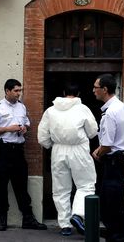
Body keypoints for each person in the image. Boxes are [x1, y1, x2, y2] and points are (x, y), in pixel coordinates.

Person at [0, 78, 47, 231]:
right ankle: (2, 220)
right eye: (16, 91)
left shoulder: (21, 107)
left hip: (18, 151)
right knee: (2, 186)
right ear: (7, 91)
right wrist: (8, 128)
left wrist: (25, 128)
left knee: (21, 186)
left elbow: (26, 122)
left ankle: (28, 219)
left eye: (20, 90)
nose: (19, 94)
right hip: (3, 152)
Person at [37, 82, 98, 236]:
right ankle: (78, 214)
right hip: (79, 149)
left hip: (58, 150)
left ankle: (65, 225)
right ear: (78, 94)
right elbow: (92, 132)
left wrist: (52, 145)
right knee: (86, 185)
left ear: (63, 92)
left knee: (60, 189)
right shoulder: (83, 109)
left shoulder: (50, 111)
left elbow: (42, 137)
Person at [91, 73, 124, 242]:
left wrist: (97, 152)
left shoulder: (109, 113)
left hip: (114, 161)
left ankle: (118, 238)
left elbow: (107, 145)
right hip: (122, 159)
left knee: (111, 206)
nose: (93, 90)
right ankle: (117, 236)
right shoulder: (120, 106)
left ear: (105, 89)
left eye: (96, 87)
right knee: (114, 203)